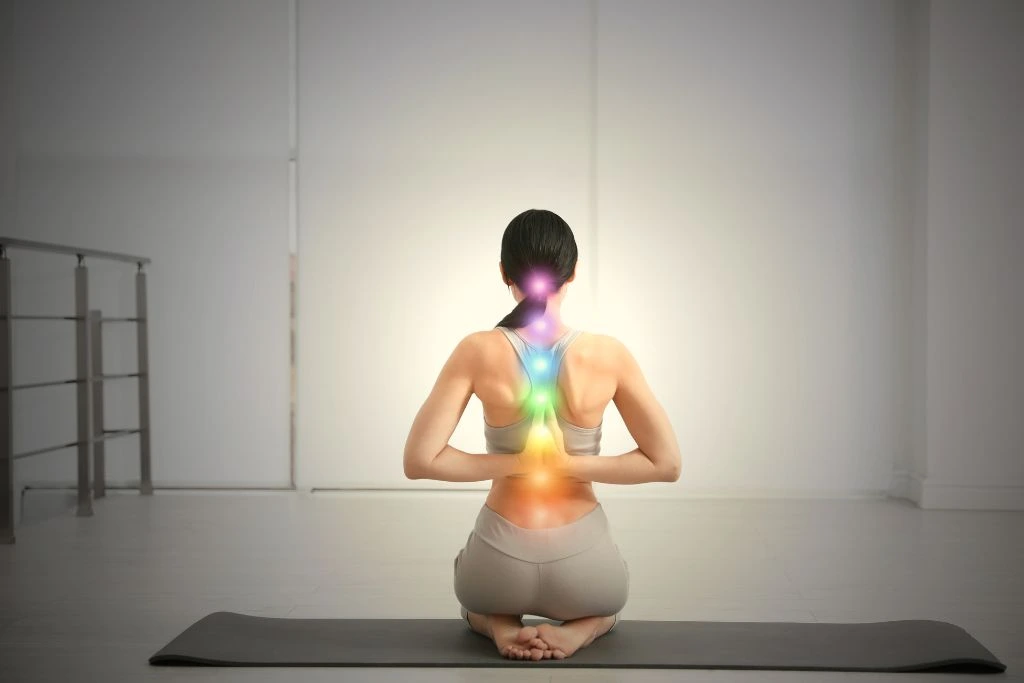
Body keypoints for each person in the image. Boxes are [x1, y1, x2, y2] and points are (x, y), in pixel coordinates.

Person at [403, 208, 682, 660]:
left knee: (470, 595)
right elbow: (666, 464)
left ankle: (496, 623)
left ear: (503, 273)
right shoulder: (608, 354)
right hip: (586, 571)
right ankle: (585, 628)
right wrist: (568, 465)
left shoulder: (477, 349)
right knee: (611, 601)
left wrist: (518, 463)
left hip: (496, 569)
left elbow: (419, 461)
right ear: (571, 273)